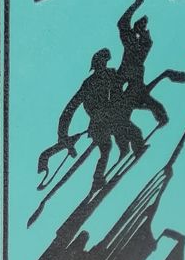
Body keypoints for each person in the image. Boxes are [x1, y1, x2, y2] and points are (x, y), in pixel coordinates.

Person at [56, 47, 144, 188]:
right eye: (101, 63)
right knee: (106, 147)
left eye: (105, 62)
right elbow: (70, 109)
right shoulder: (88, 84)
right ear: (96, 65)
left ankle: (137, 151)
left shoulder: (111, 74)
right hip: (98, 123)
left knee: (134, 134)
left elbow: (125, 80)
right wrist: (63, 135)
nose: (103, 66)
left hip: (113, 117)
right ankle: (97, 179)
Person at [117, 0, 168, 129]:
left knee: (138, 97)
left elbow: (123, 24)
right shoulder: (136, 40)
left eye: (141, 27)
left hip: (132, 75)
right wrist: (137, 3)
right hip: (129, 74)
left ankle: (161, 116)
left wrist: (138, 3)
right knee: (130, 98)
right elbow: (122, 24)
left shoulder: (140, 42)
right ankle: (160, 115)